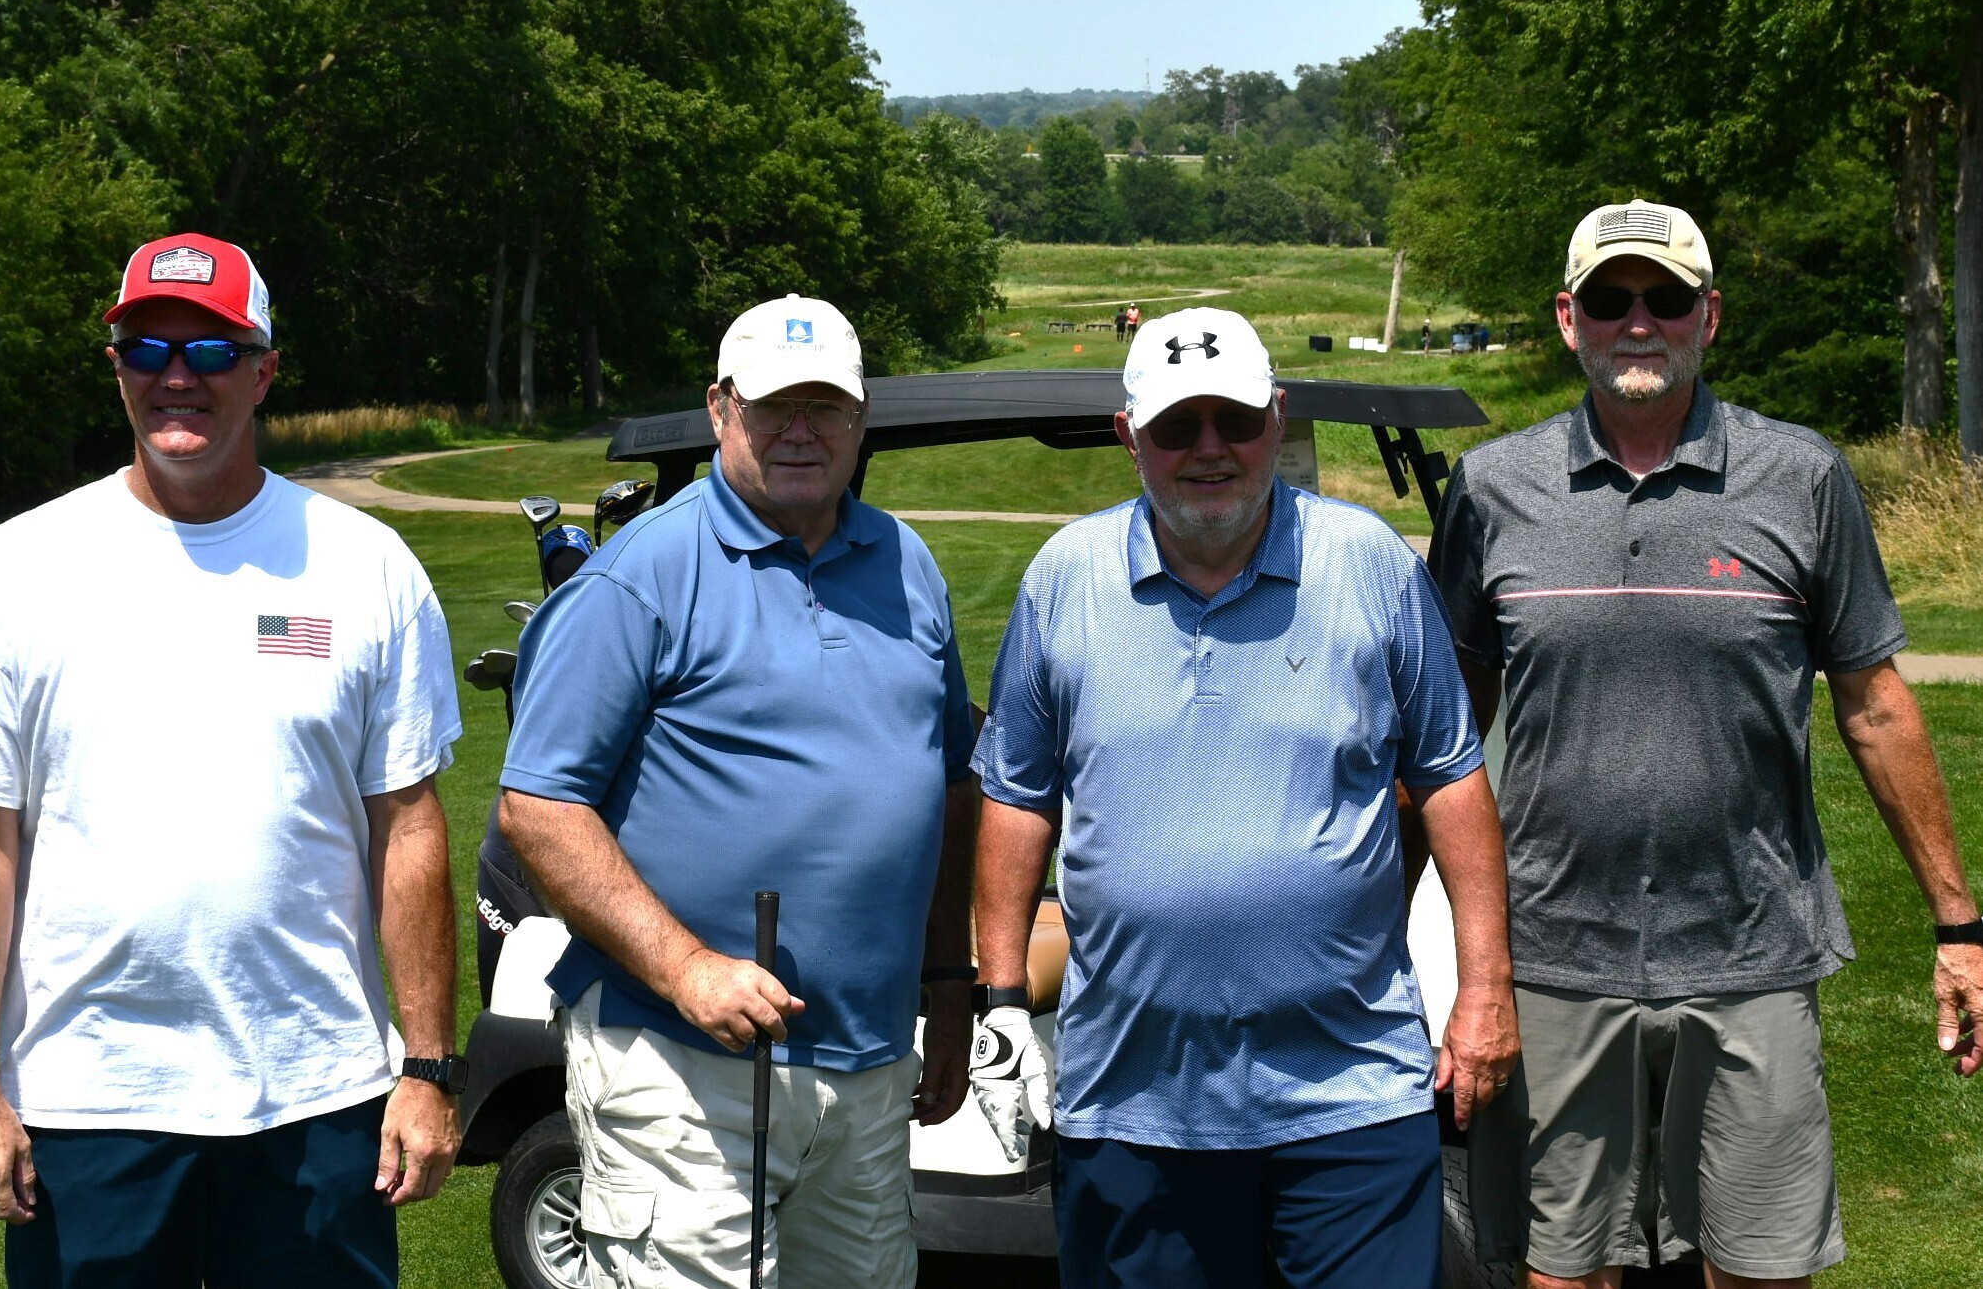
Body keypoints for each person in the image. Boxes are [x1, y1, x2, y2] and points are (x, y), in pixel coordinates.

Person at [1429, 198, 1983, 1289]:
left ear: (1710, 316)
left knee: (1761, 1266)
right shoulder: (1491, 489)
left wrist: (1960, 924)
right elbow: (1442, 736)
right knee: (1563, 1270)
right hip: (1555, 952)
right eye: (1610, 298)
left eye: (1667, 298)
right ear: (1569, 318)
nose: (1639, 321)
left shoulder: (1803, 477)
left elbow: (1875, 706)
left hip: (1751, 948)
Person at [0, 232, 465, 1285]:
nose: (177, 377)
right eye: (147, 349)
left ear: (265, 371)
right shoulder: (15, 569)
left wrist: (429, 1065)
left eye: (211, 352)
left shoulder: (365, 567)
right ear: (114, 365)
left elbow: (410, 826)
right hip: (86, 1100)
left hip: (317, 1094)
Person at [972, 305, 1519, 1288]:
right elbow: (1018, 796)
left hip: (1350, 1096)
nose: (1210, 449)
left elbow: (1451, 782)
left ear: (1276, 416)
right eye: (1177, 426)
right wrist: (1005, 1001)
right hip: (1131, 1101)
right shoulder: (1065, 578)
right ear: (1129, 435)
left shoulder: (1372, 566)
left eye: (1235, 420)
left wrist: (1484, 989)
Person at [496, 293, 979, 1289]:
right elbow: (539, 808)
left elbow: (945, 781)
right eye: (772, 405)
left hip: (868, 1061)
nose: (800, 429)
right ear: (721, 408)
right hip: (681, 1060)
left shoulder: (907, 564)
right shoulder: (640, 575)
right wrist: (685, 967)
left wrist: (946, 980)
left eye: (825, 406)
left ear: (860, 419)